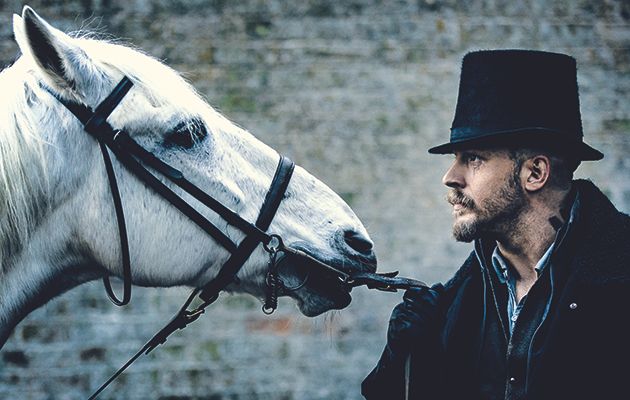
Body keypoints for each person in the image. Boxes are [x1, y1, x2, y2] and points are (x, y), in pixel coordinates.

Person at [361, 50, 630, 400]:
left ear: (534, 173)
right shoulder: (457, 301)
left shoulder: (619, 279)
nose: (450, 177)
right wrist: (405, 356)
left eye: (473, 158)